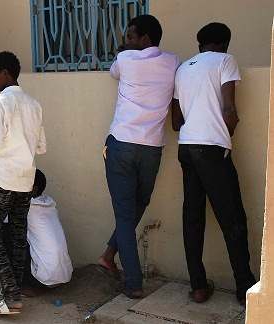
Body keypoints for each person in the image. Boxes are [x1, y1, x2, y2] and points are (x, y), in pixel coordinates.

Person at [172, 22, 256, 305]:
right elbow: (229, 109)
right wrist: (225, 131)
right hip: (212, 149)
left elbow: (175, 121)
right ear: (225, 43)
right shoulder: (225, 61)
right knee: (232, 217)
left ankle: (197, 286)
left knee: (192, 217)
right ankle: (245, 286)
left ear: (200, 44)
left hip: (186, 147)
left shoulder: (182, 69)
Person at [99, 15, 180, 299]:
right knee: (137, 205)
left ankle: (131, 280)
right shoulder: (172, 61)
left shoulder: (126, 60)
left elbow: (113, 72)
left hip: (121, 144)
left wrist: (125, 51)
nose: (128, 41)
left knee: (126, 212)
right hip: (151, 148)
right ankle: (112, 257)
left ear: (145, 39)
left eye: (131, 36)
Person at [0, 51, 46, 315]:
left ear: (6, 73)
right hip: (25, 178)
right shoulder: (34, 104)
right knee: (19, 235)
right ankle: (15, 291)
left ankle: (11, 296)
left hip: (0, 178)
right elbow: (41, 147)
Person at [26, 169, 73, 287]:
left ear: (33, 188)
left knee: (6, 234)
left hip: (43, 280)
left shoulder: (26, 208)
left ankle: (21, 286)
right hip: (65, 275)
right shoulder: (49, 203)